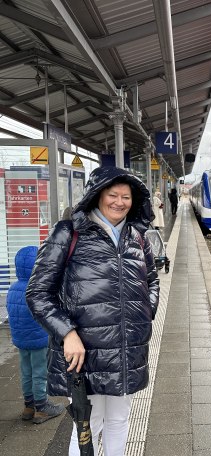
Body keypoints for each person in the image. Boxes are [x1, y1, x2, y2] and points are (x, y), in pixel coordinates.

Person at [26, 166, 160, 456]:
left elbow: (152, 279)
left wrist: (146, 311)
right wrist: (67, 333)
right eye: (113, 194)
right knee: (88, 424)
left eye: (126, 197)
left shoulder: (136, 236)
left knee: (120, 419)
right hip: (87, 350)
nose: (119, 202)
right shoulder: (69, 233)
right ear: (98, 195)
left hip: (127, 348)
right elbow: (37, 293)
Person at [6, 246, 65, 424]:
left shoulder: (13, 288)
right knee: (40, 372)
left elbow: (11, 314)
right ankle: (42, 407)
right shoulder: (37, 290)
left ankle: (28, 405)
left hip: (21, 340)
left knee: (26, 371)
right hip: (38, 340)